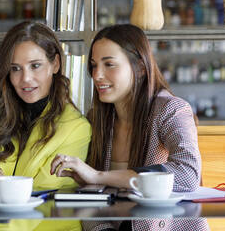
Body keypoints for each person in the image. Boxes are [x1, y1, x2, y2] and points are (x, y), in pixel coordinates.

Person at [51, 24, 209, 231]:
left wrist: (100, 176)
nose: (97, 75)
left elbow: (187, 174)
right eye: (94, 65)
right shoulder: (97, 119)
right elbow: (89, 197)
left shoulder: (171, 109)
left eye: (109, 64)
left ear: (141, 68)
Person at [0, 21, 91, 231]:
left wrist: (2, 182)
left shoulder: (76, 128)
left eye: (35, 66)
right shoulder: (0, 115)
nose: (25, 79)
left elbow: (39, 196)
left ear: (55, 64)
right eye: (15, 69)